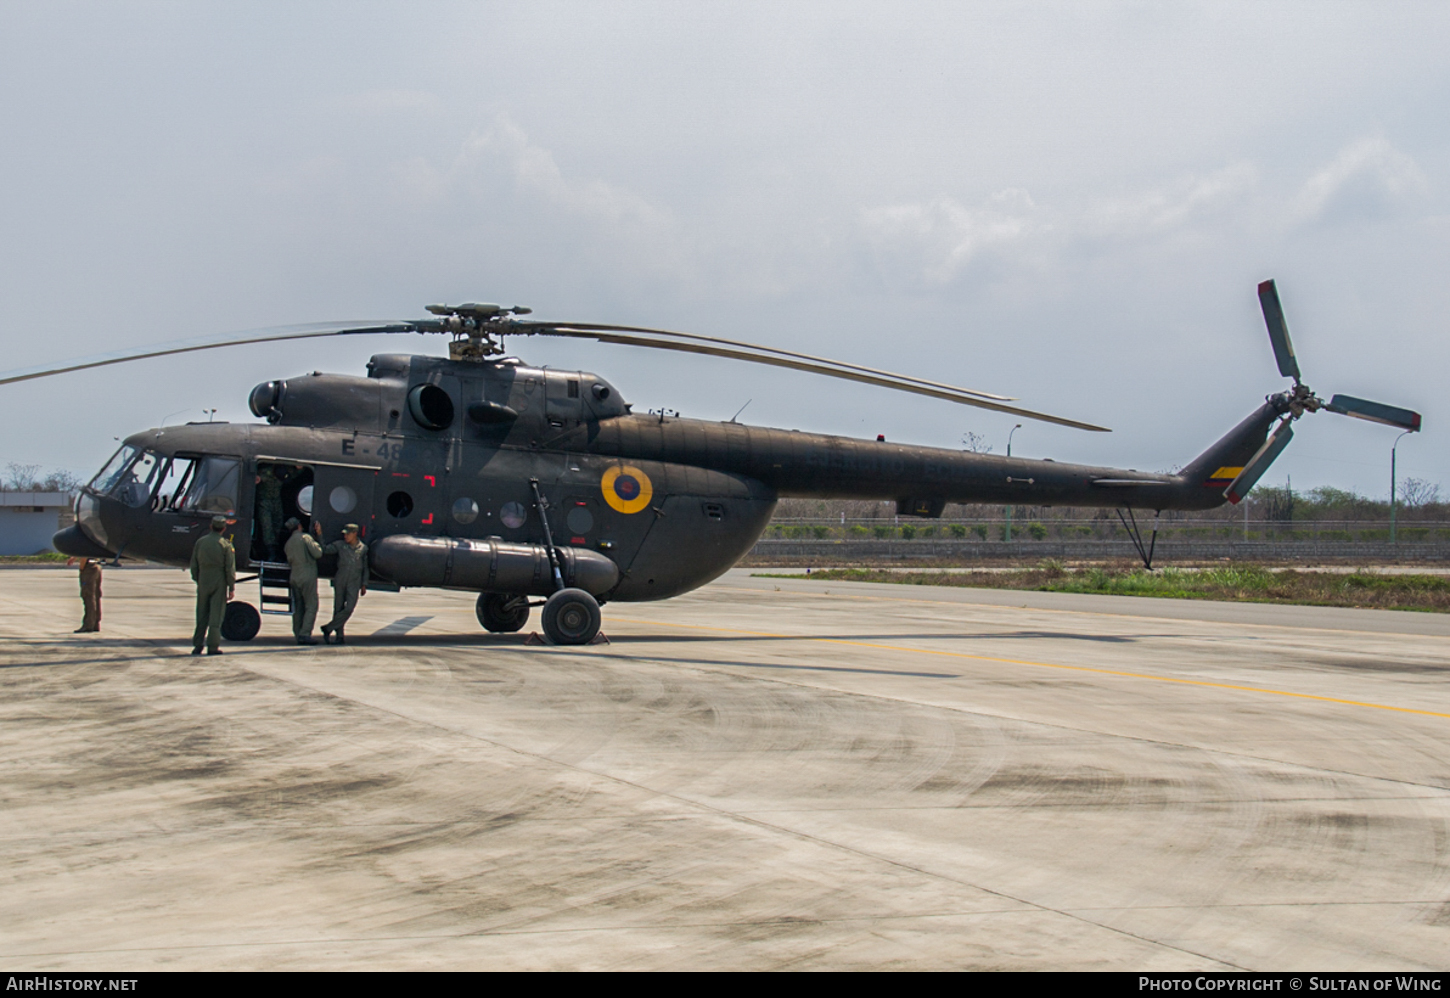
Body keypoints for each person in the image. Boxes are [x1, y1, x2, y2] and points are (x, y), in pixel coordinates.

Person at [190, 514, 236, 656]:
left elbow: (194, 566)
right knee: (216, 616)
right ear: (224, 528)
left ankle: (197, 645)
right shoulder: (226, 545)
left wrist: (199, 579)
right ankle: (213, 647)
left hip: (204, 580)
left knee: (201, 614)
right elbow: (229, 568)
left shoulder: (201, 542)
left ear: (211, 526)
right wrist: (231, 587)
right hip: (218, 581)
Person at [320, 523, 367, 645]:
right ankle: (339, 636)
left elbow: (365, 568)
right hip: (340, 580)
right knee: (338, 608)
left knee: (349, 608)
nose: (345, 536)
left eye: (348, 534)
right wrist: (319, 534)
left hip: (354, 582)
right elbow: (325, 549)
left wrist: (364, 584)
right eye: (344, 534)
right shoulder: (340, 545)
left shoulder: (363, 549)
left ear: (355, 534)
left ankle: (328, 628)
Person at [284, 517, 324, 645]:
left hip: (294, 576)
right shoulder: (305, 538)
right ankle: (305, 634)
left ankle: (297, 632)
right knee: (311, 605)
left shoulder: (288, 543)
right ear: (299, 526)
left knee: (299, 607)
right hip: (307, 575)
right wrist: (318, 537)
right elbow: (318, 553)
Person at [69, 557, 102, 633]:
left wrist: (81, 569)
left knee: (88, 596)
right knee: (96, 596)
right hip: (96, 565)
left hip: (88, 568)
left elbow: (84, 556)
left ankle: (88, 624)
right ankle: (95, 624)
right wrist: (74, 557)